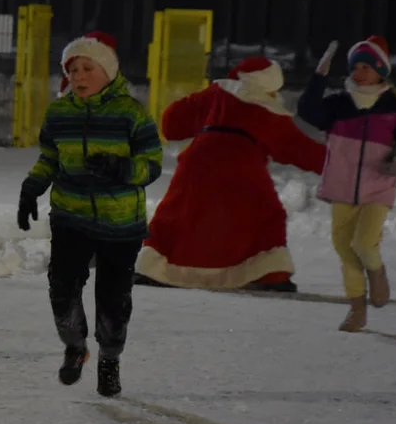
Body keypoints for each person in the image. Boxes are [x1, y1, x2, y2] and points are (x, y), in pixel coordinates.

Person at [17, 31, 163, 397]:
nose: (78, 77)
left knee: (114, 302)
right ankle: (75, 346)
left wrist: (122, 168)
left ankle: (109, 359)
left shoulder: (131, 114)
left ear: (108, 72)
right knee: (62, 289)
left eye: (87, 68)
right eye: (72, 70)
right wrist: (31, 188)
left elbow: (152, 165)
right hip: (71, 215)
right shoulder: (59, 113)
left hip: (121, 223)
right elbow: (49, 158)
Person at [135, 57, 327, 292]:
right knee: (266, 215)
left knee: (179, 211)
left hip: (199, 161)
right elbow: (300, 149)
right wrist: (340, 164)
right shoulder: (269, 110)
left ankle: (154, 269)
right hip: (244, 165)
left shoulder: (217, 92)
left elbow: (171, 122)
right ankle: (269, 273)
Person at [297, 36, 396, 332]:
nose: (359, 72)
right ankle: (356, 308)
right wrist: (319, 77)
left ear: (381, 70)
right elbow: (308, 112)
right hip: (342, 186)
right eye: (355, 67)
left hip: (377, 187)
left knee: (363, 243)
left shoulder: (395, 107)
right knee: (343, 247)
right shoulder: (339, 104)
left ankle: (376, 272)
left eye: (367, 66)